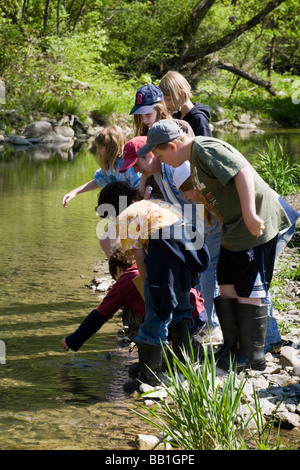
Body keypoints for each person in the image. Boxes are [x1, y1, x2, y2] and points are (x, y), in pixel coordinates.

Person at [136, 119, 295, 372]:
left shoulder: (205, 148)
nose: (161, 161)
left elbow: (242, 172)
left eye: (160, 154)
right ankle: (231, 347)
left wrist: (251, 214)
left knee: (248, 286)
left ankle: (251, 353)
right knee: (226, 282)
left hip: (253, 224)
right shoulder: (192, 161)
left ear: (172, 146)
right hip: (233, 227)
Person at [97, 181, 209, 390]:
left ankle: (149, 377)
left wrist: (150, 287)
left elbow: (140, 257)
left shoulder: (126, 217)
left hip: (165, 246)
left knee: (156, 313)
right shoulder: (154, 203)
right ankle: (182, 365)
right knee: (182, 308)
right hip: (189, 243)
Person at [129, 84, 221, 337]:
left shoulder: (176, 148)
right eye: (141, 116)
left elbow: (196, 190)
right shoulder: (156, 158)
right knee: (196, 273)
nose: (144, 120)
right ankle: (196, 323)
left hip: (203, 219)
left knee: (207, 270)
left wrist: (208, 221)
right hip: (186, 222)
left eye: (147, 114)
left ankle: (212, 326)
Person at [61, 248, 207, 353]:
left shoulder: (127, 278)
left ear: (118, 269)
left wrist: (73, 340)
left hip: (175, 323)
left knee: (126, 313)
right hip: (197, 315)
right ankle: (182, 345)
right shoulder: (151, 261)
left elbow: (100, 315)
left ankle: (156, 353)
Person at [62, 125, 140, 208]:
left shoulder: (127, 165)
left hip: (135, 204)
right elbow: (97, 181)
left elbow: (139, 188)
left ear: (112, 147)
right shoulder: (109, 165)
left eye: (100, 148)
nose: (98, 151)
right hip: (122, 204)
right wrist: (74, 192)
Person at [159, 70, 212, 137]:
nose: (166, 104)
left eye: (168, 99)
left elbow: (206, 146)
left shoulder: (198, 118)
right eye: (164, 100)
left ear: (182, 94)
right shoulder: (176, 116)